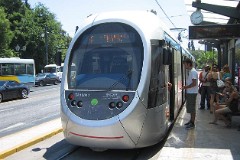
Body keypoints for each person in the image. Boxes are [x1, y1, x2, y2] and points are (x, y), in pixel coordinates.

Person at [182, 58, 198, 130]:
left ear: (188, 64)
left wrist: (186, 87)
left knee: (192, 108)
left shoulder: (193, 72)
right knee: (190, 108)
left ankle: (192, 123)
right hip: (190, 92)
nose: (184, 66)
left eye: (185, 64)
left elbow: (194, 83)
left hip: (192, 92)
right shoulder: (191, 71)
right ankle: (191, 121)